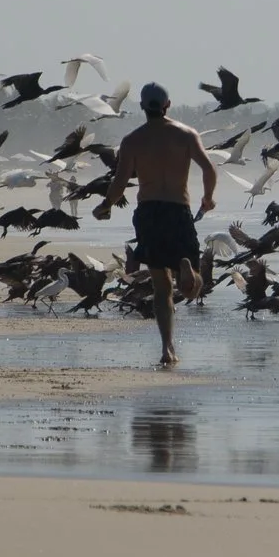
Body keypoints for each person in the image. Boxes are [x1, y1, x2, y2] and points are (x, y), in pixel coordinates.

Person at [94, 82, 216, 369]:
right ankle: (186, 267)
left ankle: (167, 348)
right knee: (192, 289)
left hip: (149, 213)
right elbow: (209, 168)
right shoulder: (186, 135)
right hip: (178, 209)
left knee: (162, 288)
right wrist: (208, 198)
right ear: (167, 105)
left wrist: (107, 205)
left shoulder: (132, 140)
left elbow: (120, 182)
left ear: (142, 107)